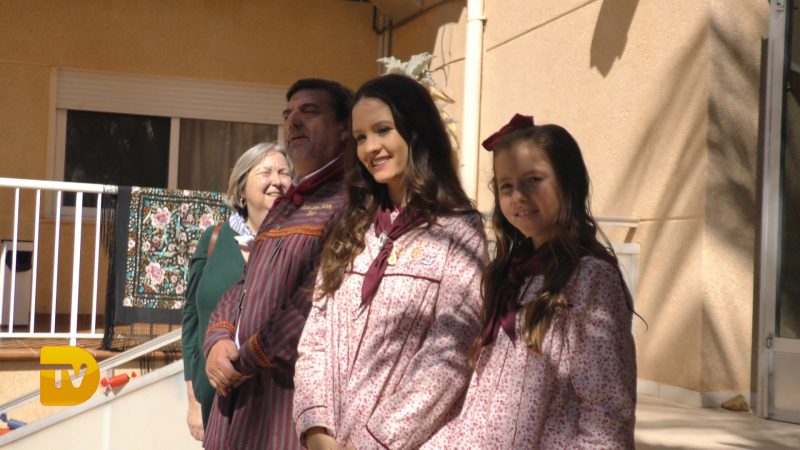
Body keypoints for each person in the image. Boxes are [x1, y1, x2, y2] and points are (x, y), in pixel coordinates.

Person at [293, 74, 487, 450]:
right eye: (360, 137)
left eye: (383, 130)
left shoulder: (459, 231)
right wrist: (316, 429)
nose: (371, 148)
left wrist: (372, 443)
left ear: (415, 130)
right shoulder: (352, 226)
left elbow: (451, 354)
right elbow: (315, 338)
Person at [424, 114, 637, 449]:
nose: (519, 195)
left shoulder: (590, 278)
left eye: (533, 179)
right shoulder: (511, 273)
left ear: (569, 182)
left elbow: (607, 411)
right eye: (506, 186)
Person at [201, 79, 352, 450]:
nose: (293, 121)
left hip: (284, 412)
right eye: (288, 114)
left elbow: (315, 303)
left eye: (309, 111)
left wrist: (245, 358)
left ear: (344, 129)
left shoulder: (351, 204)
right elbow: (245, 284)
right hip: (235, 411)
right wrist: (218, 339)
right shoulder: (287, 205)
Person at [181, 142, 292, 441]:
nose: (277, 181)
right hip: (214, 400)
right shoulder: (214, 239)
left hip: (274, 407)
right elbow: (192, 319)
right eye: (266, 172)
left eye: (284, 173)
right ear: (242, 189)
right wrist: (193, 400)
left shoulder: (298, 244)